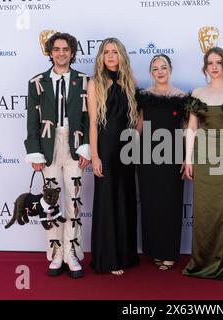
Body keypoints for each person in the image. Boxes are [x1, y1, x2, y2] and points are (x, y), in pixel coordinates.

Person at [24, 32, 91, 279]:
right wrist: (34, 151)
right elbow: (32, 119)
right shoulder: (36, 82)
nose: (61, 53)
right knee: (51, 203)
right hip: (48, 146)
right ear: (50, 52)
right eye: (56, 49)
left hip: (74, 145)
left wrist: (86, 147)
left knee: (73, 201)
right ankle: (56, 254)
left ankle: (71, 253)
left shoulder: (84, 80)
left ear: (72, 52)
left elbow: (89, 118)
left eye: (66, 49)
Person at [183, 47, 223, 280]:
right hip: (202, 156)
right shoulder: (197, 93)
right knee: (203, 212)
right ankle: (200, 262)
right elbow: (191, 128)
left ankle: (221, 263)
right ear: (205, 66)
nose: (214, 66)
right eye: (209, 62)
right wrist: (188, 158)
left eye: (218, 62)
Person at [87, 38, 140, 276]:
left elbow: (138, 119)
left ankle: (126, 255)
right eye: (106, 52)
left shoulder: (131, 82)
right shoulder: (94, 83)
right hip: (106, 149)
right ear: (100, 57)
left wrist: (134, 141)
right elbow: (92, 125)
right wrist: (95, 156)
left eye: (115, 52)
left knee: (125, 199)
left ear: (121, 56)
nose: (110, 56)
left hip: (126, 150)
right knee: (108, 201)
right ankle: (109, 258)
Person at [136, 54, 187, 271]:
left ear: (170, 69)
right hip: (147, 157)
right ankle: (155, 250)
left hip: (173, 157)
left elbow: (186, 129)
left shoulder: (183, 97)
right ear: (151, 72)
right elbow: (138, 127)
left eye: (163, 67)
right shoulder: (144, 96)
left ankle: (169, 253)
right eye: (155, 68)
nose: (160, 71)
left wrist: (187, 157)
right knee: (150, 204)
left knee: (171, 204)